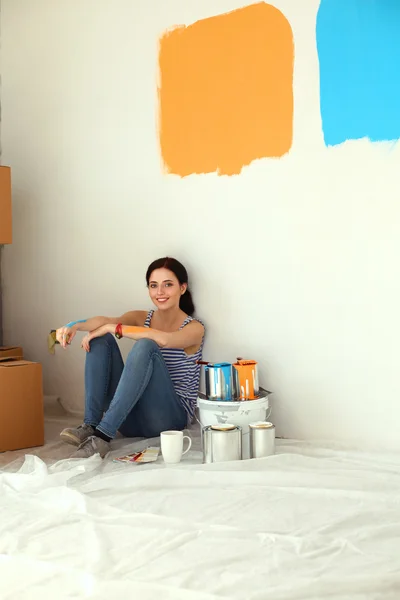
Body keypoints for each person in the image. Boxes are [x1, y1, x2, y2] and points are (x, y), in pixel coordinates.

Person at [56, 257, 205, 459]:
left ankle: (102, 435)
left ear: (182, 288)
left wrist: (115, 328)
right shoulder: (141, 317)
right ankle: (90, 425)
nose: (160, 292)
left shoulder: (194, 328)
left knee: (146, 344)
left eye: (168, 285)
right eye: (154, 286)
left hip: (168, 420)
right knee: (101, 338)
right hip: (130, 419)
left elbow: (165, 340)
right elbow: (106, 321)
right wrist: (74, 325)